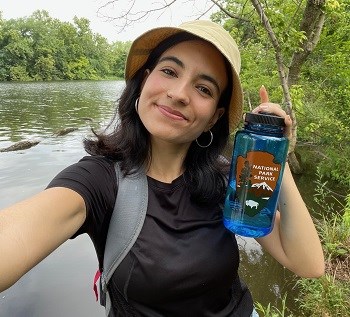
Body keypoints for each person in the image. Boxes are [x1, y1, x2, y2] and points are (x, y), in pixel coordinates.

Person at [0, 20, 324, 316]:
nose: (179, 94)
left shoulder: (227, 177)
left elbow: (307, 263)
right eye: (170, 71)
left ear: (214, 116)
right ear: (144, 80)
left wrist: (274, 155)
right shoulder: (100, 179)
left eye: (203, 88)